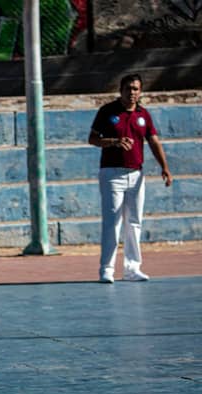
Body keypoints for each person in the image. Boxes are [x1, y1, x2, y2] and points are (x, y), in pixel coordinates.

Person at [89, 74, 172, 283]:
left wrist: (164, 167)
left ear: (140, 91)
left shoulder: (143, 114)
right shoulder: (107, 111)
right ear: (121, 90)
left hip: (136, 174)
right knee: (112, 222)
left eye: (136, 89)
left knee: (134, 222)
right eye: (128, 88)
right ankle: (106, 269)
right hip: (111, 174)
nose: (132, 92)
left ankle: (132, 268)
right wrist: (114, 142)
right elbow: (92, 138)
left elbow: (152, 140)